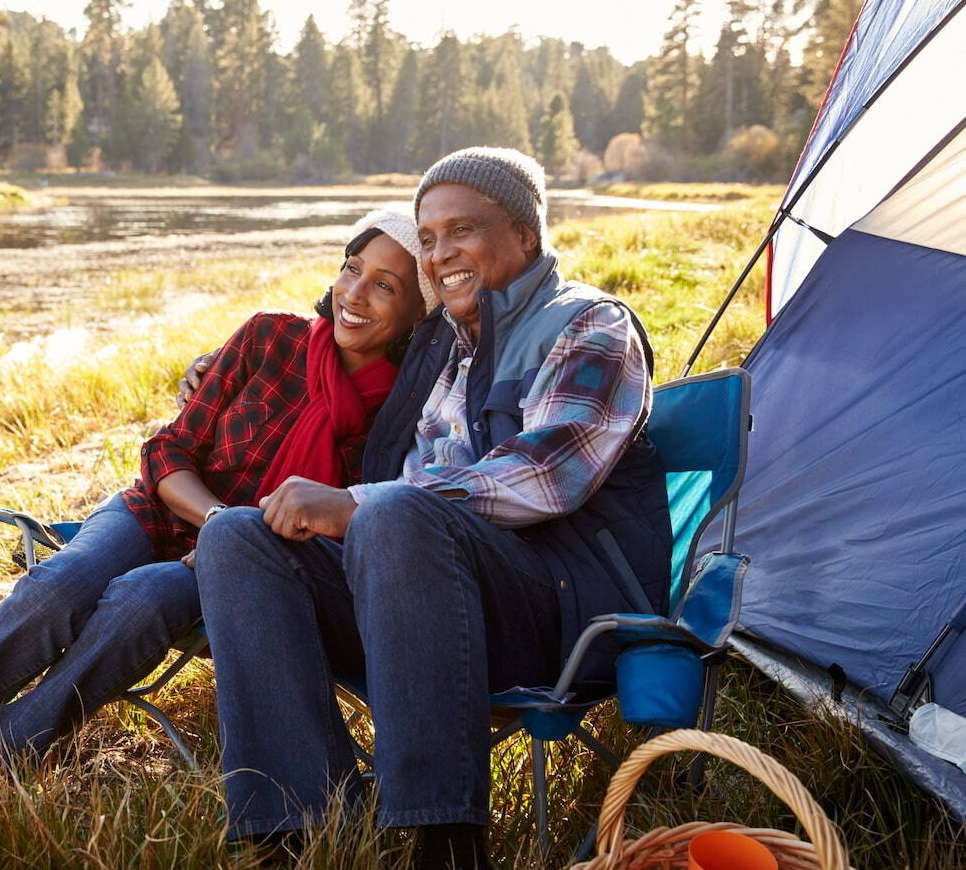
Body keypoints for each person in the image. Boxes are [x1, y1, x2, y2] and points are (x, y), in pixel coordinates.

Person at [193, 147, 672, 869]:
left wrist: (358, 504)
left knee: (392, 513)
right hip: (423, 608)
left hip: (560, 615)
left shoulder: (589, 326)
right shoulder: (450, 349)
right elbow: (398, 439)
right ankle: (297, 829)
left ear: (526, 236)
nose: (441, 254)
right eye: (429, 238)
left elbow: (546, 475)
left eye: (463, 230)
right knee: (238, 537)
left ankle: (443, 841)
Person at [0, 209, 435, 763]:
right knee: (59, 586)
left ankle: (0, 750)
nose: (355, 294)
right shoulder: (270, 337)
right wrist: (219, 521)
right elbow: (168, 449)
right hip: (159, 509)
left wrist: (234, 547)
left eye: (384, 286)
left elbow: (340, 534)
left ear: (420, 311)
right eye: (351, 269)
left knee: (139, 603)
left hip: (239, 569)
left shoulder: (401, 417)